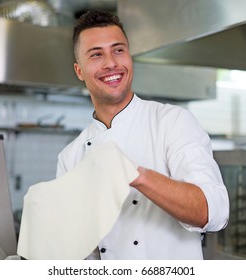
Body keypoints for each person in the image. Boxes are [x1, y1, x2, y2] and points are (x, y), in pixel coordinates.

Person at [56, 9, 229, 260]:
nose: (111, 63)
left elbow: (214, 212)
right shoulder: (71, 157)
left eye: (118, 50)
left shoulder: (172, 122)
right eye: (96, 55)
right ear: (79, 71)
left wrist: (137, 175)